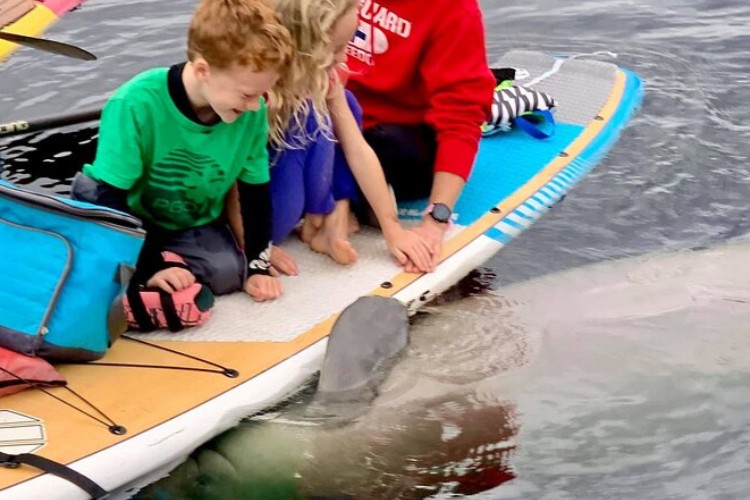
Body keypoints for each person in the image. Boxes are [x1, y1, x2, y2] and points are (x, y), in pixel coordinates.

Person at [71, 0, 293, 303]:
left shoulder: (251, 113)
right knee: (99, 232)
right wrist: (151, 267)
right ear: (203, 70)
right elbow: (110, 198)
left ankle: (160, 264)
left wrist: (258, 265)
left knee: (227, 275)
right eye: (247, 95)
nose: (256, 106)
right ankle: (141, 267)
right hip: (127, 213)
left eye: (261, 94)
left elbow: (255, 195)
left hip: (188, 221)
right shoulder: (135, 103)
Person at [233, 0, 436, 275]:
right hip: (259, 210)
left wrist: (393, 230)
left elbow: (358, 150)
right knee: (311, 117)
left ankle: (326, 223)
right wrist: (254, 245)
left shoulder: (321, 77)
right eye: (336, 50)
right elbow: (233, 176)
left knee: (345, 104)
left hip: (291, 186)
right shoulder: (255, 92)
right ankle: (320, 220)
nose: (344, 59)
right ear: (304, 47)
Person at [345, 0, 497, 272]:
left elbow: (462, 117)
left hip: (399, 139)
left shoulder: (454, 10)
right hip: (334, 114)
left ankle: (347, 202)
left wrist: (436, 220)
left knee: (383, 143)